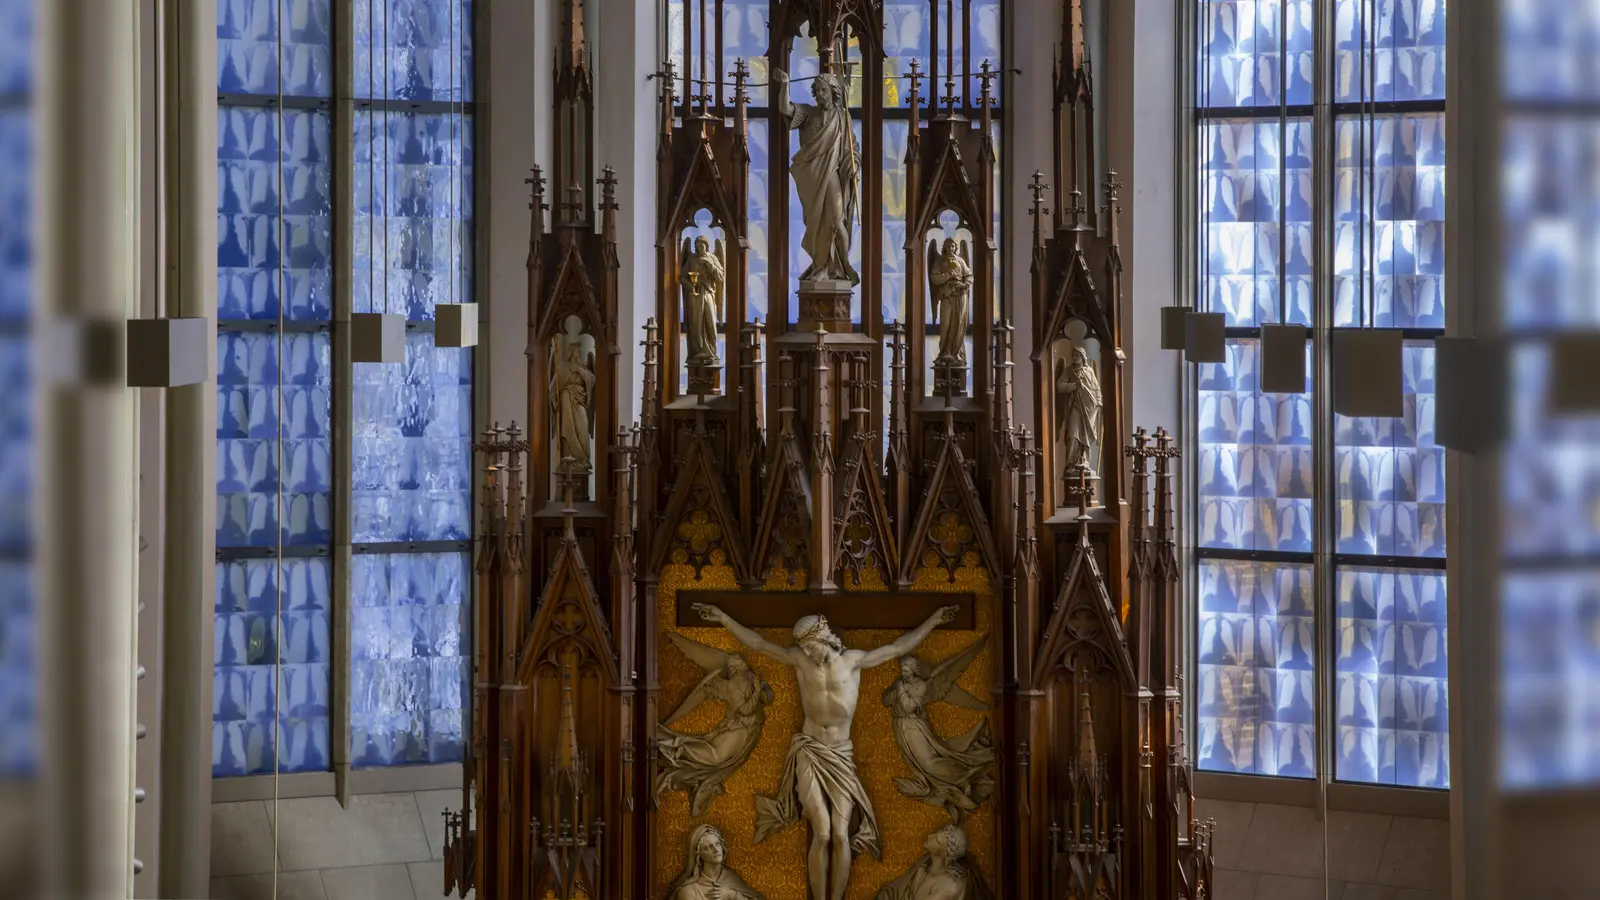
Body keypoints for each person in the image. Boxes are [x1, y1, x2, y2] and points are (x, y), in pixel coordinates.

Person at [691, 604, 961, 900]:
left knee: (840, 834)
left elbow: (898, 647)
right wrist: (724, 619)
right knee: (822, 833)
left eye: (810, 646)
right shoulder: (800, 661)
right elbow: (758, 643)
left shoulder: (853, 662)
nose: (807, 653)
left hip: (841, 754)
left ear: (824, 638)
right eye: (803, 648)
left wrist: (934, 620)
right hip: (810, 750)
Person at [772, 67, 860, 285]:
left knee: (837, 221)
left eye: (824, 90)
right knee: (818, 223)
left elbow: (852, 146)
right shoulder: (808, 114)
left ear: (833, 92)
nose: (820, 94)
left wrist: (854, 163)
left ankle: (844, 264)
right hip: (811, 177)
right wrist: (784, 84)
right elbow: (785, 108)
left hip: (831, 174)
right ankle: (821, 267)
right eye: (817, 91)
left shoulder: (842, 116)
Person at [665, 824, 765, 900]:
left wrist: (731, 895)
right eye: (709, 847)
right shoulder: (688, 891)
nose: (716, 850)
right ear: (699, 855)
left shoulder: (732, 879)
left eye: (717, 844)